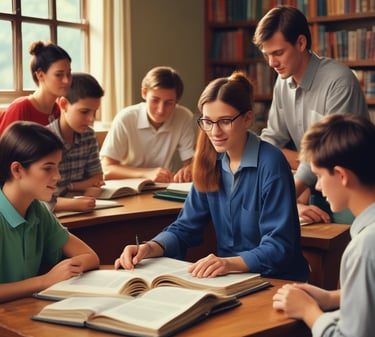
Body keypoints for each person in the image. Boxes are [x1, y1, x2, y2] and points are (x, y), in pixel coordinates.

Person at [114, 71, 309, 282]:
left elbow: (279, 246)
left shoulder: (271, 162)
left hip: (277, 280)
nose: (215, 132)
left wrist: (227, 263)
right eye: (208, 121)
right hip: (230, 280)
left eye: (225, 121)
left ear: (247, 119)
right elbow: (185, 227)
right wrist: (150, 247)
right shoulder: (209, 162)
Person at [253, 5, 369, 224]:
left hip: (351, 188)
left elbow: (329, 149)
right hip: (315, 184)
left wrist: (281, 200)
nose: (272, 63)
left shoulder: (339, 81)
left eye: (278, 53)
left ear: (301, 43)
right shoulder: (282, 80)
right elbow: (273, 137)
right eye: (267, 55)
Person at [272, 114, 375, 337]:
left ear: (341, 175)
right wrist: (331, 298)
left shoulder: (363, 249)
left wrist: (308, 311)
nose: (317, 186)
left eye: (319, 176)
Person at [0, 121, 100, 303]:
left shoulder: (37, 210)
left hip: (20, 313)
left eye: (57, 166)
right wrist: (45, 281)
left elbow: (90, 257)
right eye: (48, 168)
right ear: (17, 170)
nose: (58, 176)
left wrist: (66, 269)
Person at [100, 66, 196, 183]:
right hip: (128, 188)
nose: (161, 110)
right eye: (155, 100)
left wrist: (188, 170)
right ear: (144, 93)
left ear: (177, 101)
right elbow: (106, 168)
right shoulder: (126, 118)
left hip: (163, 187)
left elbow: (192, 163)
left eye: (169, 103)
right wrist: (146, 174)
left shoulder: (184, 116)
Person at [46, 72, 105, 213]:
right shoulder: (44, 140)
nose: (91, 119)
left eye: (94, 112)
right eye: (84, 112)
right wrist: (75, 202)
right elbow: (37, 199)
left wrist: (70, 187)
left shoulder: (88, 136)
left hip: (81, 210)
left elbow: (97, 178)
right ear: (63, 104)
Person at [0, 41, 72, 136]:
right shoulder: (20, 108)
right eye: (59, 75)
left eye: (69, 73)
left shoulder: (58, 111)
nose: (66, 80)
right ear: (40, 75)